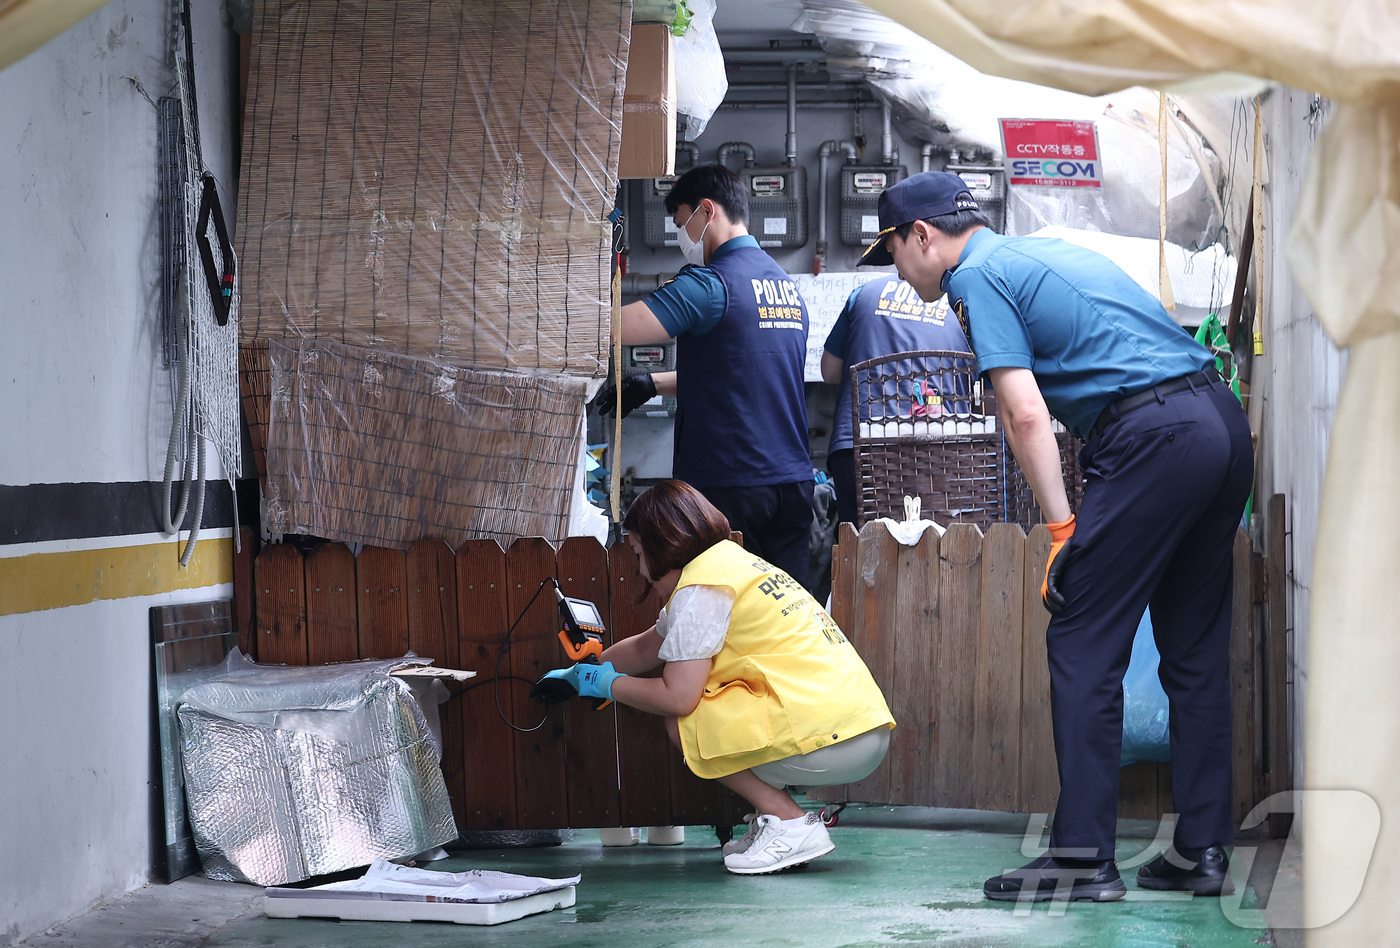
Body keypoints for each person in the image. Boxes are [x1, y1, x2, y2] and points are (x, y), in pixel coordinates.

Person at [860, 171, 1252, 902]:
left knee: (1079, 641)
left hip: (1154, 437)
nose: (898, 272)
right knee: (1195, 653)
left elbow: (1026, 415)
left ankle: (1081, 859)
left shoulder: (975, 279)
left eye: (892, 253)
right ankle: (1201, 850)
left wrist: (1063, 527)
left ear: (922, 237)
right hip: (1219, 422)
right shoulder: (1045, 254)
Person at [532, 479, 895, 875]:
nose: (639, 569)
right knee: (715, 703)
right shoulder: (729, 565)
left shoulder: (702, 588)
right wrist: (583, 671)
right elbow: (644, 648)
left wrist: (602, 684)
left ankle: (790, 823)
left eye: (637, 552)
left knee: (686, 719)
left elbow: (678, 697)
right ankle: (777, 824)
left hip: (831, 738)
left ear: (660, 542)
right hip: (862, 728)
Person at [593, 163, 815, 588]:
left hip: (730, 485)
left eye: (680, 223)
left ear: (706, 211)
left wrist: (548, 315)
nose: (681, 236)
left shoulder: (711, 285)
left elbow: (616, 328)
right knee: (786, 612)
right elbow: (742, 368)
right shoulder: (786, 288)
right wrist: (654, 382)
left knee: (721, 612)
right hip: (792, 483)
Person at [820, 276, 972, 525]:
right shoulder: (961, 302)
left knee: (861, 549)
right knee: (937, 550)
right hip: (939, 452)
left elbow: (830, 370)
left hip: (857, 447)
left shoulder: (864, 294)